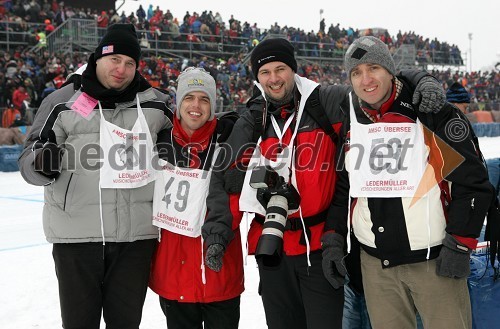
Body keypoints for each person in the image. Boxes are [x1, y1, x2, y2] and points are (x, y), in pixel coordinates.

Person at [201, 37, 446, 329]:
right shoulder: (255, 116)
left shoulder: (326, 101)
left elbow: (374, 85)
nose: (274, 78)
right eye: (265, 73)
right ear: (257, 78)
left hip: (319, 249)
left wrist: (421, 79)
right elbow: (225, 176)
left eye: (280, 69)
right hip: (271, 248)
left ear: (294, 69)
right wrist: (217, 234)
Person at [18, 24, 172, 329]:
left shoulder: (157, 103)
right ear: (98, 58)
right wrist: (40, 164)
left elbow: (194, 134)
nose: (122, 69)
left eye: (130, 63)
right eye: (115, 59)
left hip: (135, 239)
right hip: (76, 237)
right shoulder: (61, 101)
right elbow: (28, 157)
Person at [340, 36, 493, 329]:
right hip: (376, 265)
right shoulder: (349, 119)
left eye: (373, 68)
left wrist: (460, 244)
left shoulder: (430, 111)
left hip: (434, 263)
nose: (365, 79)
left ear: (390, 70)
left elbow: (473, 183)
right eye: (356, 72)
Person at [149, 67, 244, 329]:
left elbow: (238, 201)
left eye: (204, 99)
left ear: (213, 106)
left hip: (219, 271)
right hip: (174, 274)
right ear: (178, 103)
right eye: (189, 97)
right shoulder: (158, 143)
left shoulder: (230, 141)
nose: (196, 105)